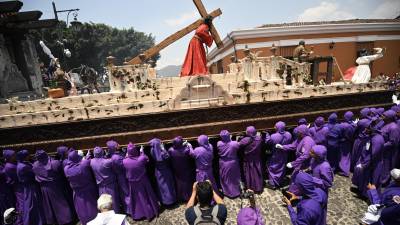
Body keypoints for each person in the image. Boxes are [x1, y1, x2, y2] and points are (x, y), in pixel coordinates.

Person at [32, 150, 74, 225]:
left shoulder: (35, 165)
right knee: (60, 203)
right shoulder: (55, 163)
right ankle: (66, 220)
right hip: (56, 186)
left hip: (44, 188)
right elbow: (62, 173)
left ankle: (54, 220)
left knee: (49, 205)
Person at [123, 142, 159, 220]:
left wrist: (127, 155)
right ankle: (150, 212)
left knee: (136, 199)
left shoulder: (125, 161)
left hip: (132, 183)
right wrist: (142, 151)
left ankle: (138, 214)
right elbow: (146, 159)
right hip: (143, 181)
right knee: (146, 196)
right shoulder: (141, 159)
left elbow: (126, 159)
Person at [276, 124, 315, 195]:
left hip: (305, 164)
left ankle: (295, 194)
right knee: (294, 177)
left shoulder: (308, 141)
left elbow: (305, 155)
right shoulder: (300, 138)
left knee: (299, 178)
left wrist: (293, 163)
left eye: (299, 132)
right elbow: (293, 146)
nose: (297, 133)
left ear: (303, 132)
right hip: (300, 162)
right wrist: (283, 147)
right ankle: (293, 192)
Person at [64, 149, 99, 225]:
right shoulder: (83, 165)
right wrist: (88, 154)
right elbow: (88, 160)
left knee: (81, 209)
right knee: (92, 206)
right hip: (88, 189)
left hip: (77, 192)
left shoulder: (66, 169)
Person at [352, 122, 385, 197]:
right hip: (366, 160)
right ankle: (361, 190)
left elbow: (374, 155)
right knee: (363, 177)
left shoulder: (376, 140)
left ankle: (366, 195)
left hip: (371, 164)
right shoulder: (372, 136)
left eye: (367, 128)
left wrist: (365, 164)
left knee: (369, 179)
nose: (365, 129)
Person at [16, 150, 45, 225]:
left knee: (30, 203)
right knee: (33, 204)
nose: (29, 156)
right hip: (31, 187)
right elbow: (33, 174)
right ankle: (34, 221)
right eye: (27, 155)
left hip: (28, 187)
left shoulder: (22, 164)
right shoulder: (23, 166)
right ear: (24, 156)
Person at [90, 147, 121, 213]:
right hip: (111, 185)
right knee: (113, 201)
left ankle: (105, 215)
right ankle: (116, 214)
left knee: (103, 202)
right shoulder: (107, 162)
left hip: (101, 186)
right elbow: (114, 161)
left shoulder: (92, 162)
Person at [149, 138, 177, 205]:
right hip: (166, 171)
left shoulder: (152, 151)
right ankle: (171, 201)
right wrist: (163, 149)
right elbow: (167, 156)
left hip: (158, 171)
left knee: (161, 187)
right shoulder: (163, 153)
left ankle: (164, 201)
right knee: (168, 186)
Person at [265, 121, 292, 189]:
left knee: (273, 168)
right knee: (281, 168)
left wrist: (267, 134)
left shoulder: (274, 136)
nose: (274, 127)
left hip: (276, 154)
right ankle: (280, 181)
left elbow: (268, 142)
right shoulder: (289, 134)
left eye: (275, 126)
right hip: (284, 154)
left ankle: (272, 184)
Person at [168, 136, 196, 202]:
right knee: (187, 182)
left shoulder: (170, 150)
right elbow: (191, 153)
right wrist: (189, 146)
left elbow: (173, 150)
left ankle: (181, 197)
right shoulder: (186, 150)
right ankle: (188, 196)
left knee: (179, 182)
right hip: (185, 168)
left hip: (177, 169)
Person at [217, 130, 241, 198]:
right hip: (233, 162)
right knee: (235, 177)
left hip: (224, 163)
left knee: (226, 177)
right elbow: (238, 145)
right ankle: (236, 191)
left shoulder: (219, 144)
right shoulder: (234, 143)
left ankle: (227, 192)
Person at [239, 126, 264, 193]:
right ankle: (258, 187)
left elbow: (239, 145)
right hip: (257, 159)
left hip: (248, 159)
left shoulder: (245, 140)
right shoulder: (259, 139)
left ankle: (250, 187)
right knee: (257, 172)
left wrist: (240, 138)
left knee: (249, 173)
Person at [106, 140, 129, 211]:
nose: (118, 145)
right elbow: (123, 165)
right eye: (116, 145)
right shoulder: (115, 158)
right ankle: (129, 209)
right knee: (126, 192)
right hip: (122, 176)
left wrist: (124, 152)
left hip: (120, 176)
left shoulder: (111, 155)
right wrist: (126, 157)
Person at [2, 150, 23, 225]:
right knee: (18, 205)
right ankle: (18, 221)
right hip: (7, 190)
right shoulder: (9, 166)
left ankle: (15, 221)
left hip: (9, 189)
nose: (15, 156)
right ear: (9, 157)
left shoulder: (10, 164)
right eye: (13, 155)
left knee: (14, 204)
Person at [380, 110, 400, 185]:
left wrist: (381, 146)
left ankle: (384, 181)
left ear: (389, 117)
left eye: (384, 116)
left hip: (389, 152)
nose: (382, 117)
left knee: (387, 166)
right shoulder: (385, 124)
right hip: (383, 150)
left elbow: (393, 142)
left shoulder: (394, 127)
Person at [338, 111, 356, 177]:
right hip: (349, 142)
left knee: (343, 156)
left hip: (343, 142)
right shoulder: (352, 125)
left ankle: (344, 171)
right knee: (347, 156)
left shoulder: (342, 125)